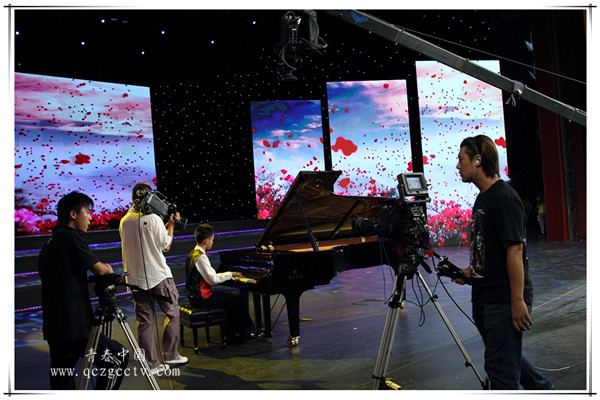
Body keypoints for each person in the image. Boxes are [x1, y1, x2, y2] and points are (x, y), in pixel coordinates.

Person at [454, 135, 553, 390]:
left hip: (502, 300)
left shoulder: (503, 197)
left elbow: (515, 251)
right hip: (485, 297)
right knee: (507, 357)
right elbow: (489, 250)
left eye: (461, 159)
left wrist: (517, 301)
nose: (458, 165)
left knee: (501, 372)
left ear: (477, 160)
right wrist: (471, 272)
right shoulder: (483, 198)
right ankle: (544, 390)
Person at [38, 191, 129, 390]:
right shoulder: (70, 237)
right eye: (87, 212)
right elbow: (100, 269)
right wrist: (108, 268)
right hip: (75, 326)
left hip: (55, 326)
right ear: (73, 214)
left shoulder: (51, 241)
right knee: (118, 358)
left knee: (62, 379)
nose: (90, 218)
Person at [119, 182, 188, 374]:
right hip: (158, 276)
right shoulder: (153, 219)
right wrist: (171, 226)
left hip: (135, 279)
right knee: (173, 313)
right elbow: (166, 245)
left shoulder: (124, 221)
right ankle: (171, 355)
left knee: (145, 321)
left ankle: (151, 365)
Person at [185, 224, 258, 343]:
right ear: (205, 241)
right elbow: (212, 280)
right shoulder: (201, 257)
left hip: (194, 296)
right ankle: (247, 333)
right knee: (236, 299)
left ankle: (231, 334)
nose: (212, 242)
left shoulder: (192, 253)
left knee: (228, 298)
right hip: (202, 298)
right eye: (212, 240)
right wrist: (230, 274)